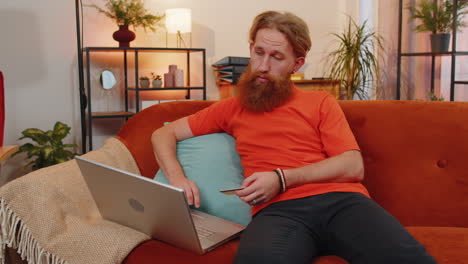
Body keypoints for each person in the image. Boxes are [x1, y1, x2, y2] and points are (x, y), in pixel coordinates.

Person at [151, 10, 437, 264]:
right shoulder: (231, 108)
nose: (263, 65)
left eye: (276, 57)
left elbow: (353, 165)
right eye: (259, 52)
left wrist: (281, 178)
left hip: (343, 203)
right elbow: (163, 133)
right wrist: (177, 178)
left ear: (296, 64)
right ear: (250, 49)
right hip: (278, 213)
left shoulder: (320, 102)